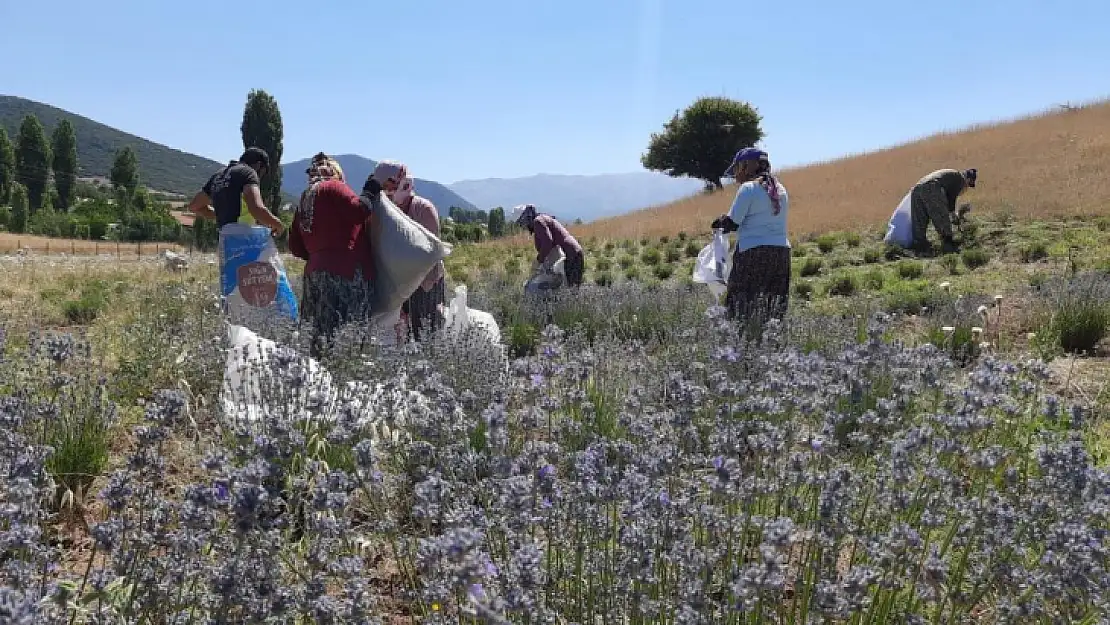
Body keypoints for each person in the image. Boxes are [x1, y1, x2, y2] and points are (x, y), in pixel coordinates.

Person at [288, 153, 376, 356]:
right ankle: (344, 380)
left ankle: (316, 379)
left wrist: (318, 253)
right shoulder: (333, 186)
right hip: (345, 272)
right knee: (347, 334)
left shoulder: (305, 198)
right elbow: (358, 210)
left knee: (317, 335)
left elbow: (294, 246)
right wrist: (370, 190)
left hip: (314, 274)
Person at [710, 148, 791, 328]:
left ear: (748, 166)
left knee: (741, 305)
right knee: (773, 306)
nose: (736, 174)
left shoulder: (748, 189)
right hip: (782, 253)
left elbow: (733, 223)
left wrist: (719, 223)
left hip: (753, 253)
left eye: (738, 167)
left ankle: (740, 347)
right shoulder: (781, 189)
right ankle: (772, 347)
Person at [369, 160, 446, 342]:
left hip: (424, 283)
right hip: (393, 285)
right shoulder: (381, 210)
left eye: (389, 186)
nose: (386, 192)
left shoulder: (423, 209)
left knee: (426, 333)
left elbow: (429, 254)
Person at [187, 147, 285, 236]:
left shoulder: (219, 175)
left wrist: (221, 214)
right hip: (242, 239)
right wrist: (278, 225)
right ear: (259, 166)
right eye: (264, 173)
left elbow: (194, 206)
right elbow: (257, 208)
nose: (261, 178)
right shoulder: (248, 172)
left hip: (225, 240)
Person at [891, 168, 978, 254]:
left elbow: (946, 198)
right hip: (932, 187)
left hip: (917, 188)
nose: (966, 188)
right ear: (968, 179)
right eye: (969, 185)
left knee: (919, 219)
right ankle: (948, 244)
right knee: (941, 216)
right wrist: (952, 214)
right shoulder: (960, 179)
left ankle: (920, 245)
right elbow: (951, 197)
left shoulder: (951, 176)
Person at [510, 204, 585, 287]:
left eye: (521, 223)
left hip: (571, 255)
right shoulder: (541, 219)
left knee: (570, 290)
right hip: (573, 253)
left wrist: (539, 260)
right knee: (570, 289)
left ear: (525, 218)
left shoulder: (538, 222)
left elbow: (548, 242)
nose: (523, 226)